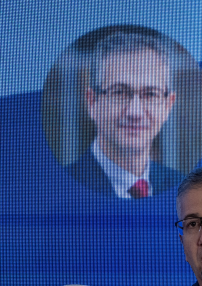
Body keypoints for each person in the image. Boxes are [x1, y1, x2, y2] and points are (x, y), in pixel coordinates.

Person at [66, 31, 182, 198]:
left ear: (168, 106)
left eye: (151, 94)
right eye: (119, 92)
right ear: (92, 102)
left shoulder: (183, 187)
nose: (135, 112)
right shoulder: (62, 187)